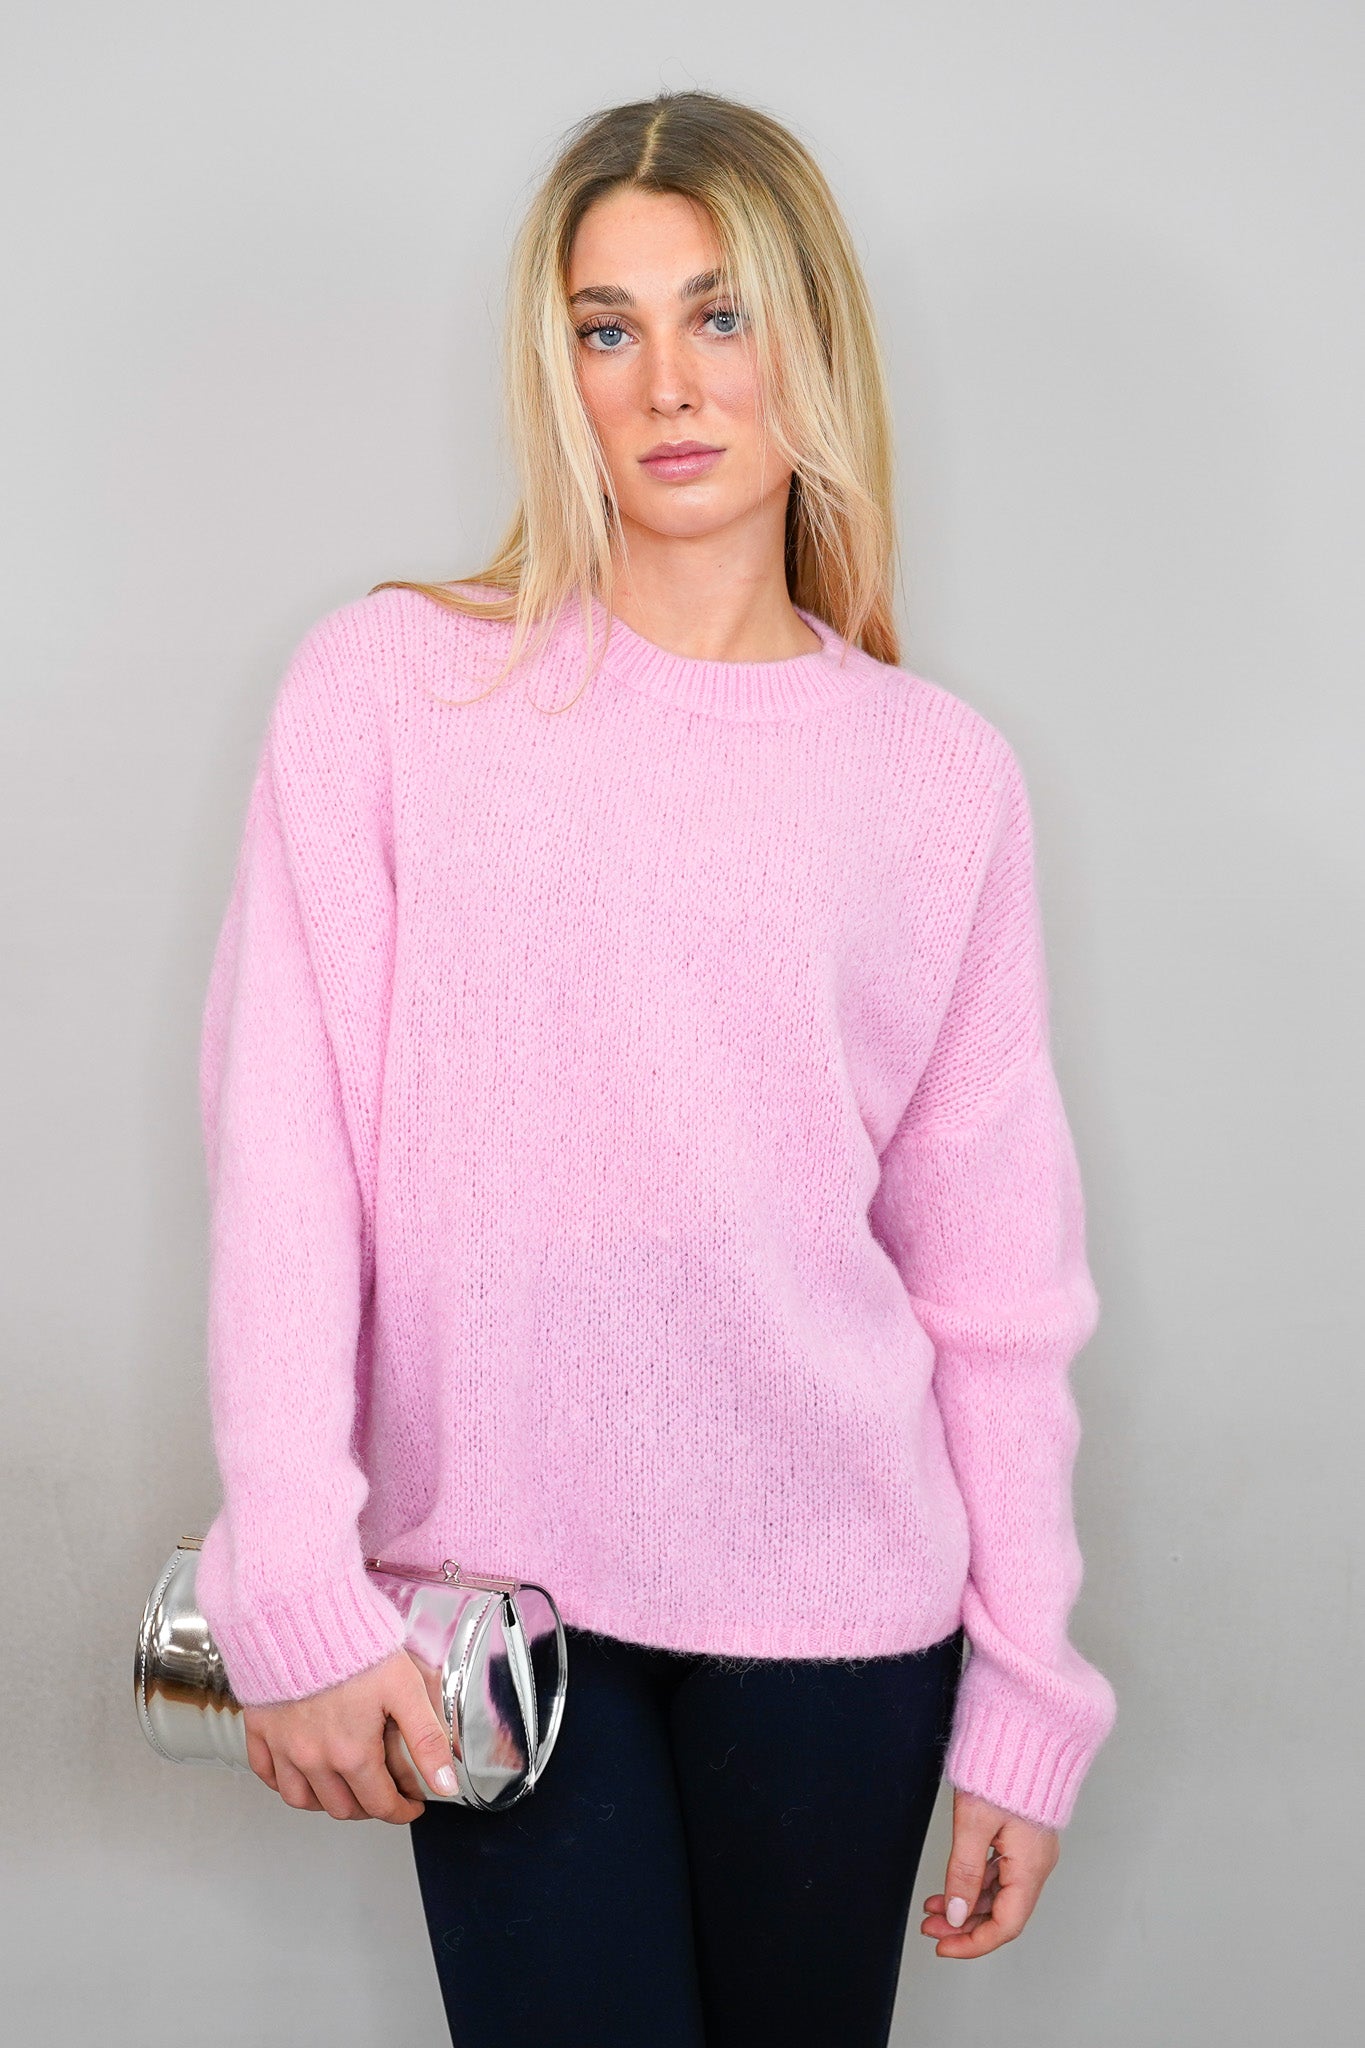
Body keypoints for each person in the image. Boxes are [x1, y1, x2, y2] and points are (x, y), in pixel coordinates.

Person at [194, 87, 1117, 2048]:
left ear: (810, 340)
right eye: (603, 327)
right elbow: (284, 1153)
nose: (664, 383)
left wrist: (1028, 1694)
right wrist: (284, 1567)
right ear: (556, 368)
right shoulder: (390, 691)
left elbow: (995, 1283)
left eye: (719, 313)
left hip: (845, 1614)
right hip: (496, 1605)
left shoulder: (936, 777)